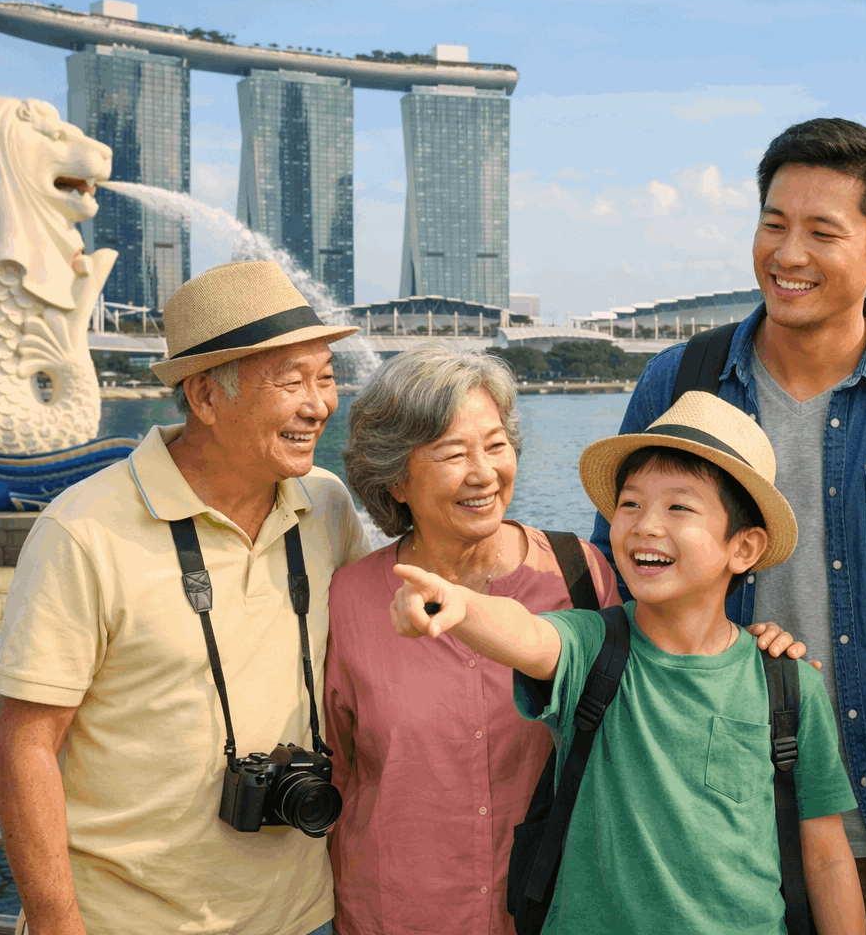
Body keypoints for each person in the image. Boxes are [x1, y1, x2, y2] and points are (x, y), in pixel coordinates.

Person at [591, 117, 866, 931]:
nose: (787, 255)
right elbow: (624, 572)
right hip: (704, 824)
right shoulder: (683, 381)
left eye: (822, 232)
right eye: (773, 224)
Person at [326, 347, 810, 935]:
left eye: (496, 445)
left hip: (557, 906)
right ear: (395, 477)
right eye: (453, 453)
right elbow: (340, 772)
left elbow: (667, 664)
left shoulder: (578, 573)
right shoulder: (347, 599)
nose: (484, 472)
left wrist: (754, 650)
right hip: (398, 909)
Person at [0, 260, 371, 935]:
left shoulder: (327, 504)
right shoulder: (83, 530)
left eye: (326, 376)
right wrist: (55, 923)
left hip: (305, 915)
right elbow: (25, 746)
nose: (320, 405)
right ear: (204, 397)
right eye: (293, 382)